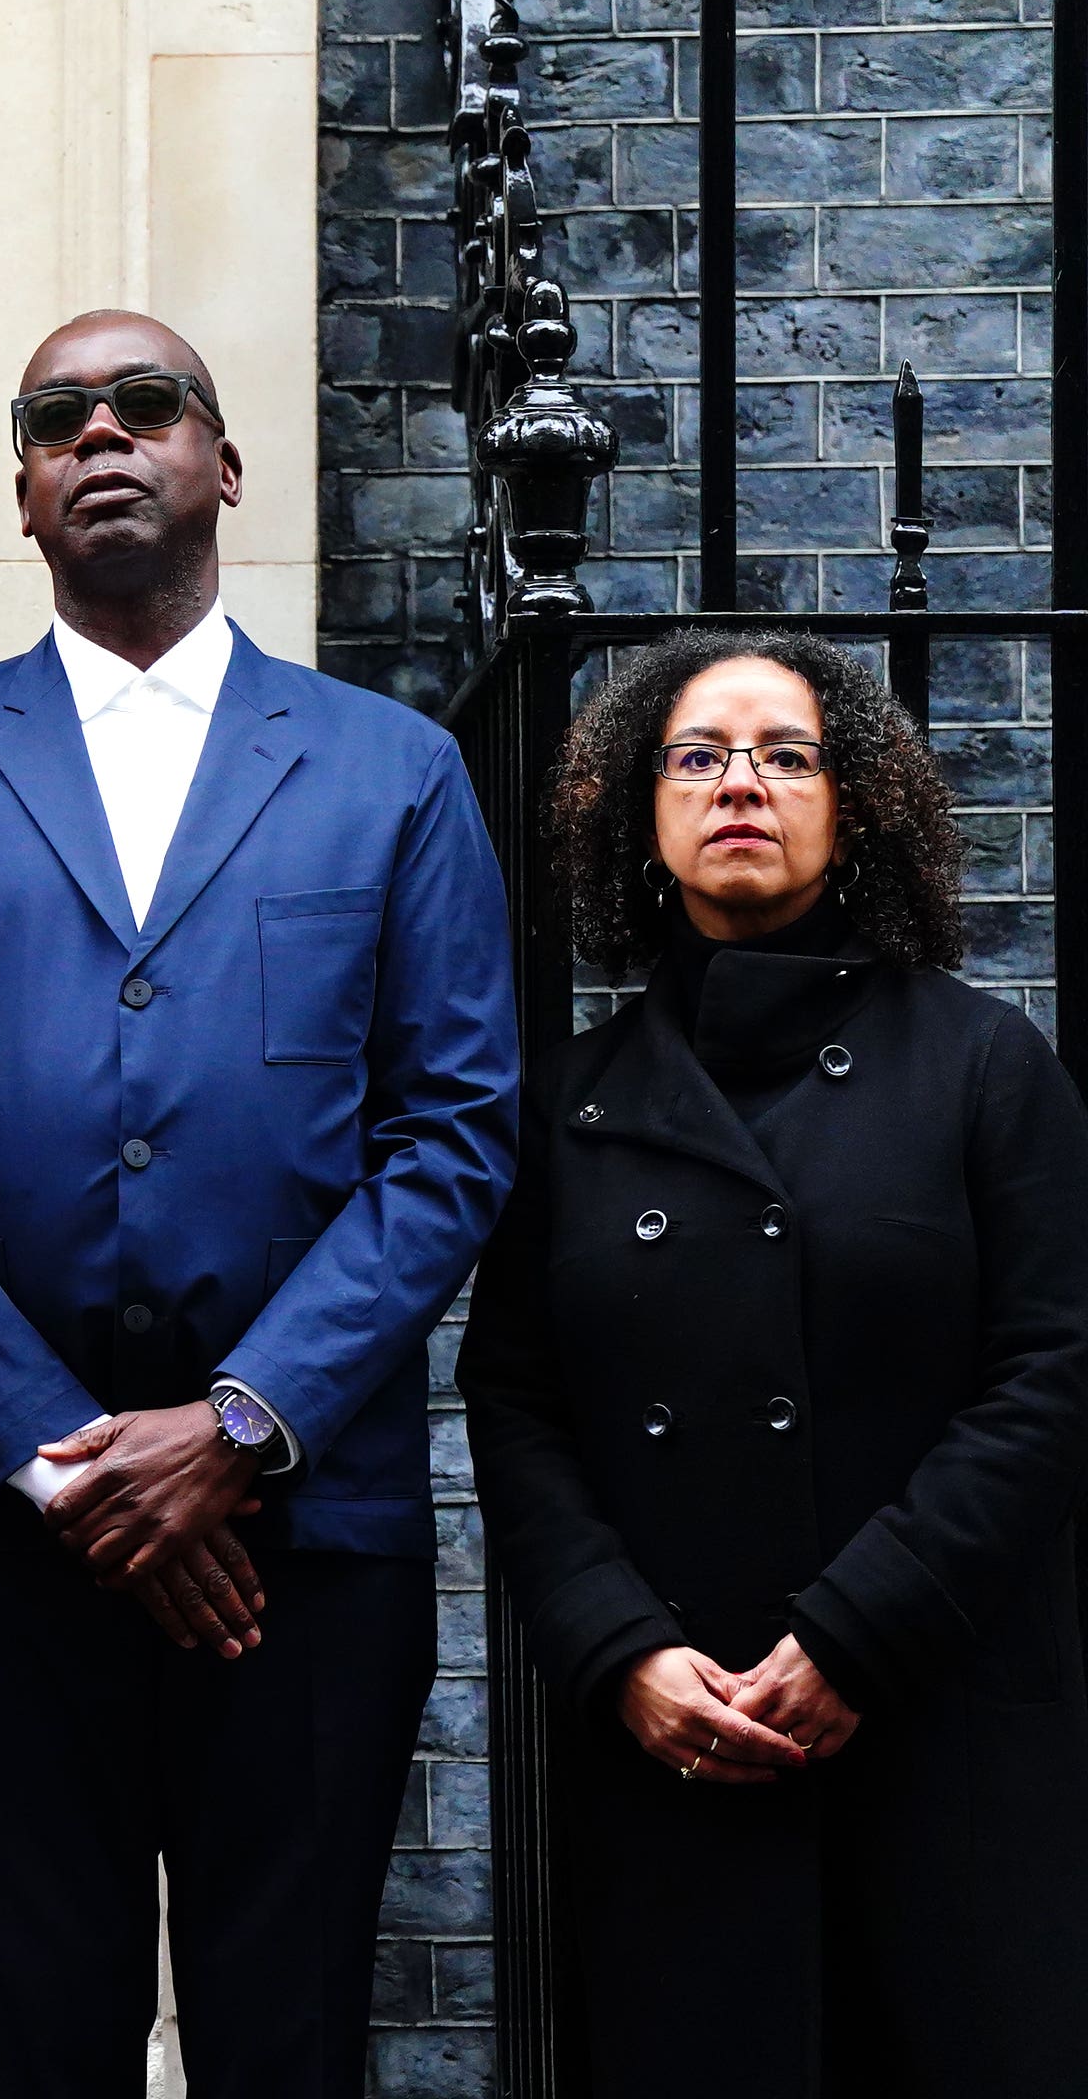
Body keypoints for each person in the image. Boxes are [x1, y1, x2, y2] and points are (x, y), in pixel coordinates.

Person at [0, 309, 517, 2097]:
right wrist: (67, 1457)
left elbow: (451, 1133)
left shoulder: (391, 769)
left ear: (224, 462)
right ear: (25, 494)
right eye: (58, 419)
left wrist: (239, 1427)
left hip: (308, 1542)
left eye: (146, 405)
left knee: (292, 2039)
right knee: (41, 2039)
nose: (101, 435)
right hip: (13, 1547)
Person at [459, 631, 1088, 2091]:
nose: (742, 783)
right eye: (700, 756)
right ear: (644, 809)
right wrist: (620, 1652)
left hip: (935, 1735)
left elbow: (1050, 1378)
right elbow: (516, 1402)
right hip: (676, 1750)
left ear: (853, 805)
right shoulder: (569, 1103)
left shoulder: (990, 1069)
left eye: (786, 756)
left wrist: (859, 1633)